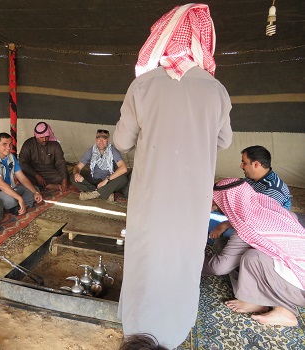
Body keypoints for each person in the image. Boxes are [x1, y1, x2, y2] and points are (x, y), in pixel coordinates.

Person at [113, 4, 233, 348]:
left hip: (151, 201)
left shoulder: (143, 86)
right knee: (182, 261)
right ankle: (174, 329)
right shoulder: (216, 90)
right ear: (201, 43)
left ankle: (136, 329)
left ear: (161, 41)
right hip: (191, 205)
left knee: (145, 259)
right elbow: (224, 140)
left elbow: (121, 141)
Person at [203, 178, 305, 327]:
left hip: (299, 290)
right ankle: (261, 300)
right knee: (240, 250)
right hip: (299, 274)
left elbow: (218, 268)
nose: (216, 205)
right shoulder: (268, 206)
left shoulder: (247, 226)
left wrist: (192, 262)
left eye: (218, 202)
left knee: (252, 257)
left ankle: (283, 310)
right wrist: (226, 223)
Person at [209, 145, 292, 243]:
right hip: (247, 218)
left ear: (256, 164)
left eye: (244, 163)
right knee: (206, 219)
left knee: (225, 234)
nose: (241, 166)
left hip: (265, 230)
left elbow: (258, 220)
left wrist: (225, 224)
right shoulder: (252, 179)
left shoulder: (273, 189)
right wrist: (215, 206)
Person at [0, 132, 43, 216]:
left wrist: (35, 192)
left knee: (34, 189)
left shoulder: (11, 157)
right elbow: (0, 184)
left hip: (8, 187)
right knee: (10, 200)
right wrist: (19, 197)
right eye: (4, 144)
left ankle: (22, 207)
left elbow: (22, 178)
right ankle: (17, 204)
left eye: (10, 144)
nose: (8, 147)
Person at [71, 129, 128, 201]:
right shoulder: (91, 150)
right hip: (94, 180)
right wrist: (76, 174)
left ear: (108, 140)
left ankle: (93, 194)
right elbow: (78, 167)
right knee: (72, 176)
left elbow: (123, 168)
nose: (101, 142)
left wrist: (106, 180)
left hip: (109, 181)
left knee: (123, 179)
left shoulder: (113, 151)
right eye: (99, 139)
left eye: (104, 139)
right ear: (96, 140)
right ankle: (104, 193)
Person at [19, 121, 69, 192]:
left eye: (47, 137)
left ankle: (44, 185)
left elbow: (60, 162)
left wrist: (64, 180)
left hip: (49, 171)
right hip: (33, 171)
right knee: (21, 175)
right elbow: (22, 162)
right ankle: (49, 186)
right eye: (41, 137)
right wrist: (36, 175)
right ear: (36, 136)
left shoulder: (55, 145)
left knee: (64, 176)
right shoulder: (28, 144)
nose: (44, 140)